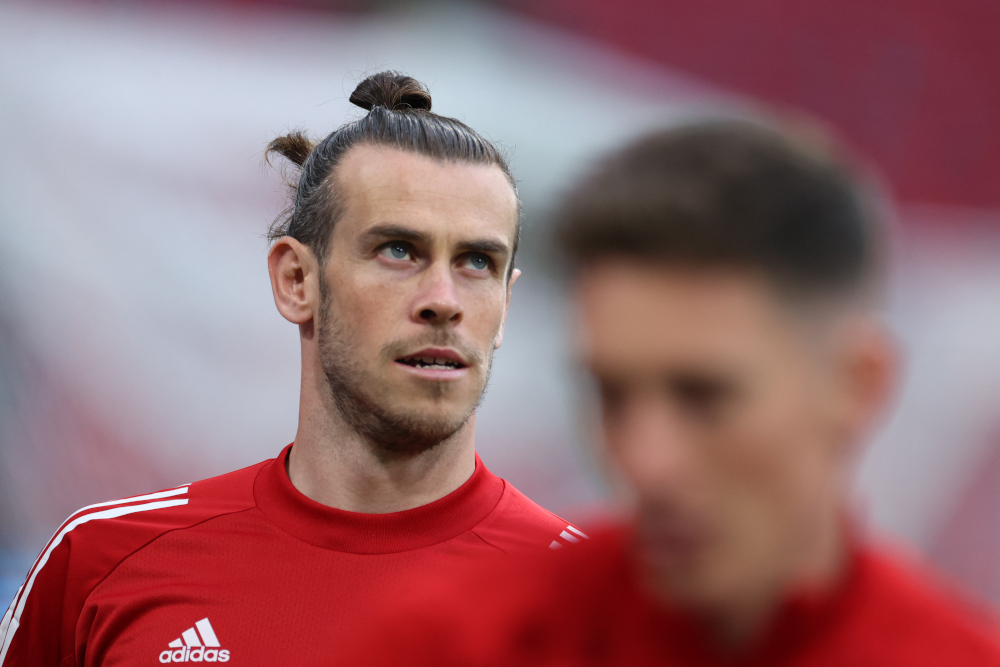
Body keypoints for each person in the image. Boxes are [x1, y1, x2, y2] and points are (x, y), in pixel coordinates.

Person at [344, 118, 1000, 666]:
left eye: (704, 397)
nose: (646, 460)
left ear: (856, 384)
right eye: (613, 395)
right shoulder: (452, 644)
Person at [0, 71, 577, 666]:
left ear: (506, 303)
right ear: (297, 280)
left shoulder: (599, 603)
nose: (443, 299)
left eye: (477, 261)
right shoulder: (100, 561)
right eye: (398, 250)